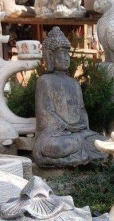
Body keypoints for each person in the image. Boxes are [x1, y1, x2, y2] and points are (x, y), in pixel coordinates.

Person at [32, 27, 104, 168]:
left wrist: (82, 126)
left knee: (102, 142)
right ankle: (80, 152)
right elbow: (45, 114)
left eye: (68, 54)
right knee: (55, 148)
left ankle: (79, 151)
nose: (66, 58)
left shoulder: (74, 83)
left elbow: (81, 110)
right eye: (61, 54)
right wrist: (66, 126)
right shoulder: (45, 81)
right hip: (56, 136)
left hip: (79, 133)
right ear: (50, 56)